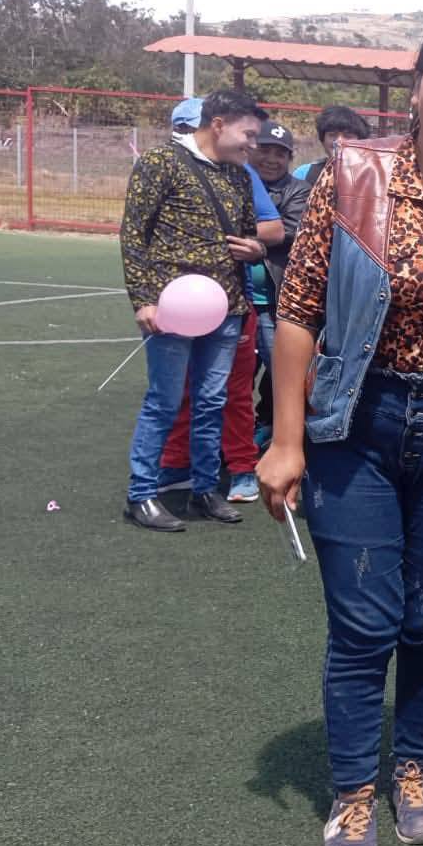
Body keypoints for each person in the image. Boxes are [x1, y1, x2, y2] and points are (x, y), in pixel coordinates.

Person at [256, 17, 423, 846]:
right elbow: (299, 308)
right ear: (417, 84)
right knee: (365, 622)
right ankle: (352, 790)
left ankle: (414, 767)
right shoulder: (353, 173)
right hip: (356, 424)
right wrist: (285, 441)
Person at [119, 89, 265, 531]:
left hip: (227, 308)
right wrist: (144, 299)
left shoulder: (239, 175)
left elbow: (249, 235)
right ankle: (141, 495)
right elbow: (134, 234)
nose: (253, 144)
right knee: (164, 401)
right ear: (218, 125)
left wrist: (257, 249)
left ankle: (204, 489)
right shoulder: (160, 162)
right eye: (248, 134)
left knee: (212, 401)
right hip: (172, 309)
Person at [247, 121, 311, 442]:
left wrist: (233, 231)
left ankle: (278, 435)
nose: (271, 159)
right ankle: (232, 440)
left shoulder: (299, 190)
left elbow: (289, 230)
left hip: (274, 302)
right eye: (265, 150)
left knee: (283, 377)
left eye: (280, 154)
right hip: (234, 302)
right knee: (233, 378)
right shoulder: (233, 181)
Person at [293, 105, 372, 185]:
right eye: (332, 135)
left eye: (347, 136)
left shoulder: (372, 175)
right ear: (322, 140)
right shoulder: (304, 174)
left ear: (361, 142)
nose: (339, 141)